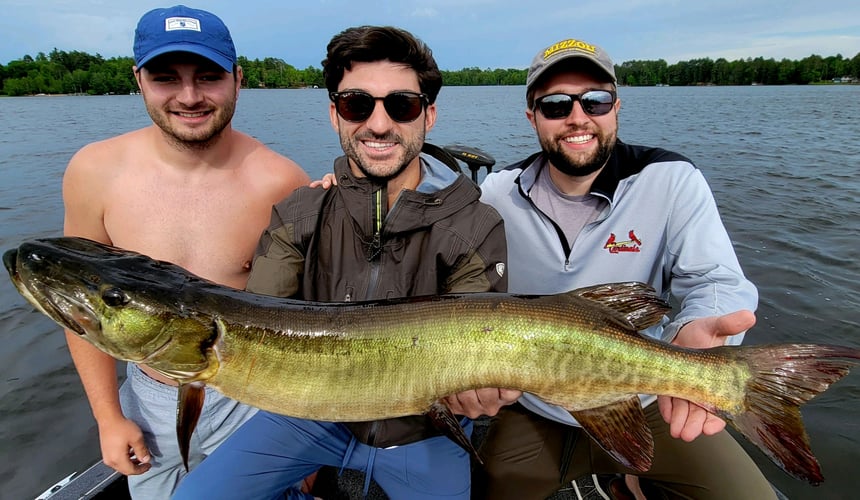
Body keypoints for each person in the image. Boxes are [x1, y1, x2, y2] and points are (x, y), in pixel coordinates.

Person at [173, 25, 513, 500]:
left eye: (401, 105)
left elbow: (476, 347)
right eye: (357, 104)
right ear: (335, 113)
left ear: (428, 115)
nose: (378, 124)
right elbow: (259, 322)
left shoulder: (477, 225)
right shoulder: (298, 213)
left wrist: (481, 391)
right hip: (311, 419)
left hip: (423, 430)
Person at [472, 38, 777, 499]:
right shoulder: (496, 193)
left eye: (595, 100)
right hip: (536, 404)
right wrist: (342, 190)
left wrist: (699, 325)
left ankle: (630, 478)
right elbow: (431, 221)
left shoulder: (671, 178)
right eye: (555, 105)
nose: (578, 117)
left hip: (651, 394)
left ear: (616, 107)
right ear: (532, 116)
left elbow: (715, 279)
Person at [61, 5, 309, 498]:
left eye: (209, 77)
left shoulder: (283, 181)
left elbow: (305, 321)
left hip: (250, 394)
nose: (190, 96)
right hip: (147, 396)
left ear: (237, 80)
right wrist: (109, 418)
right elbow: (83, 313)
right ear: (139, 80)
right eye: (166, 77)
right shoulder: (93, 172)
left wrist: (300, 440)